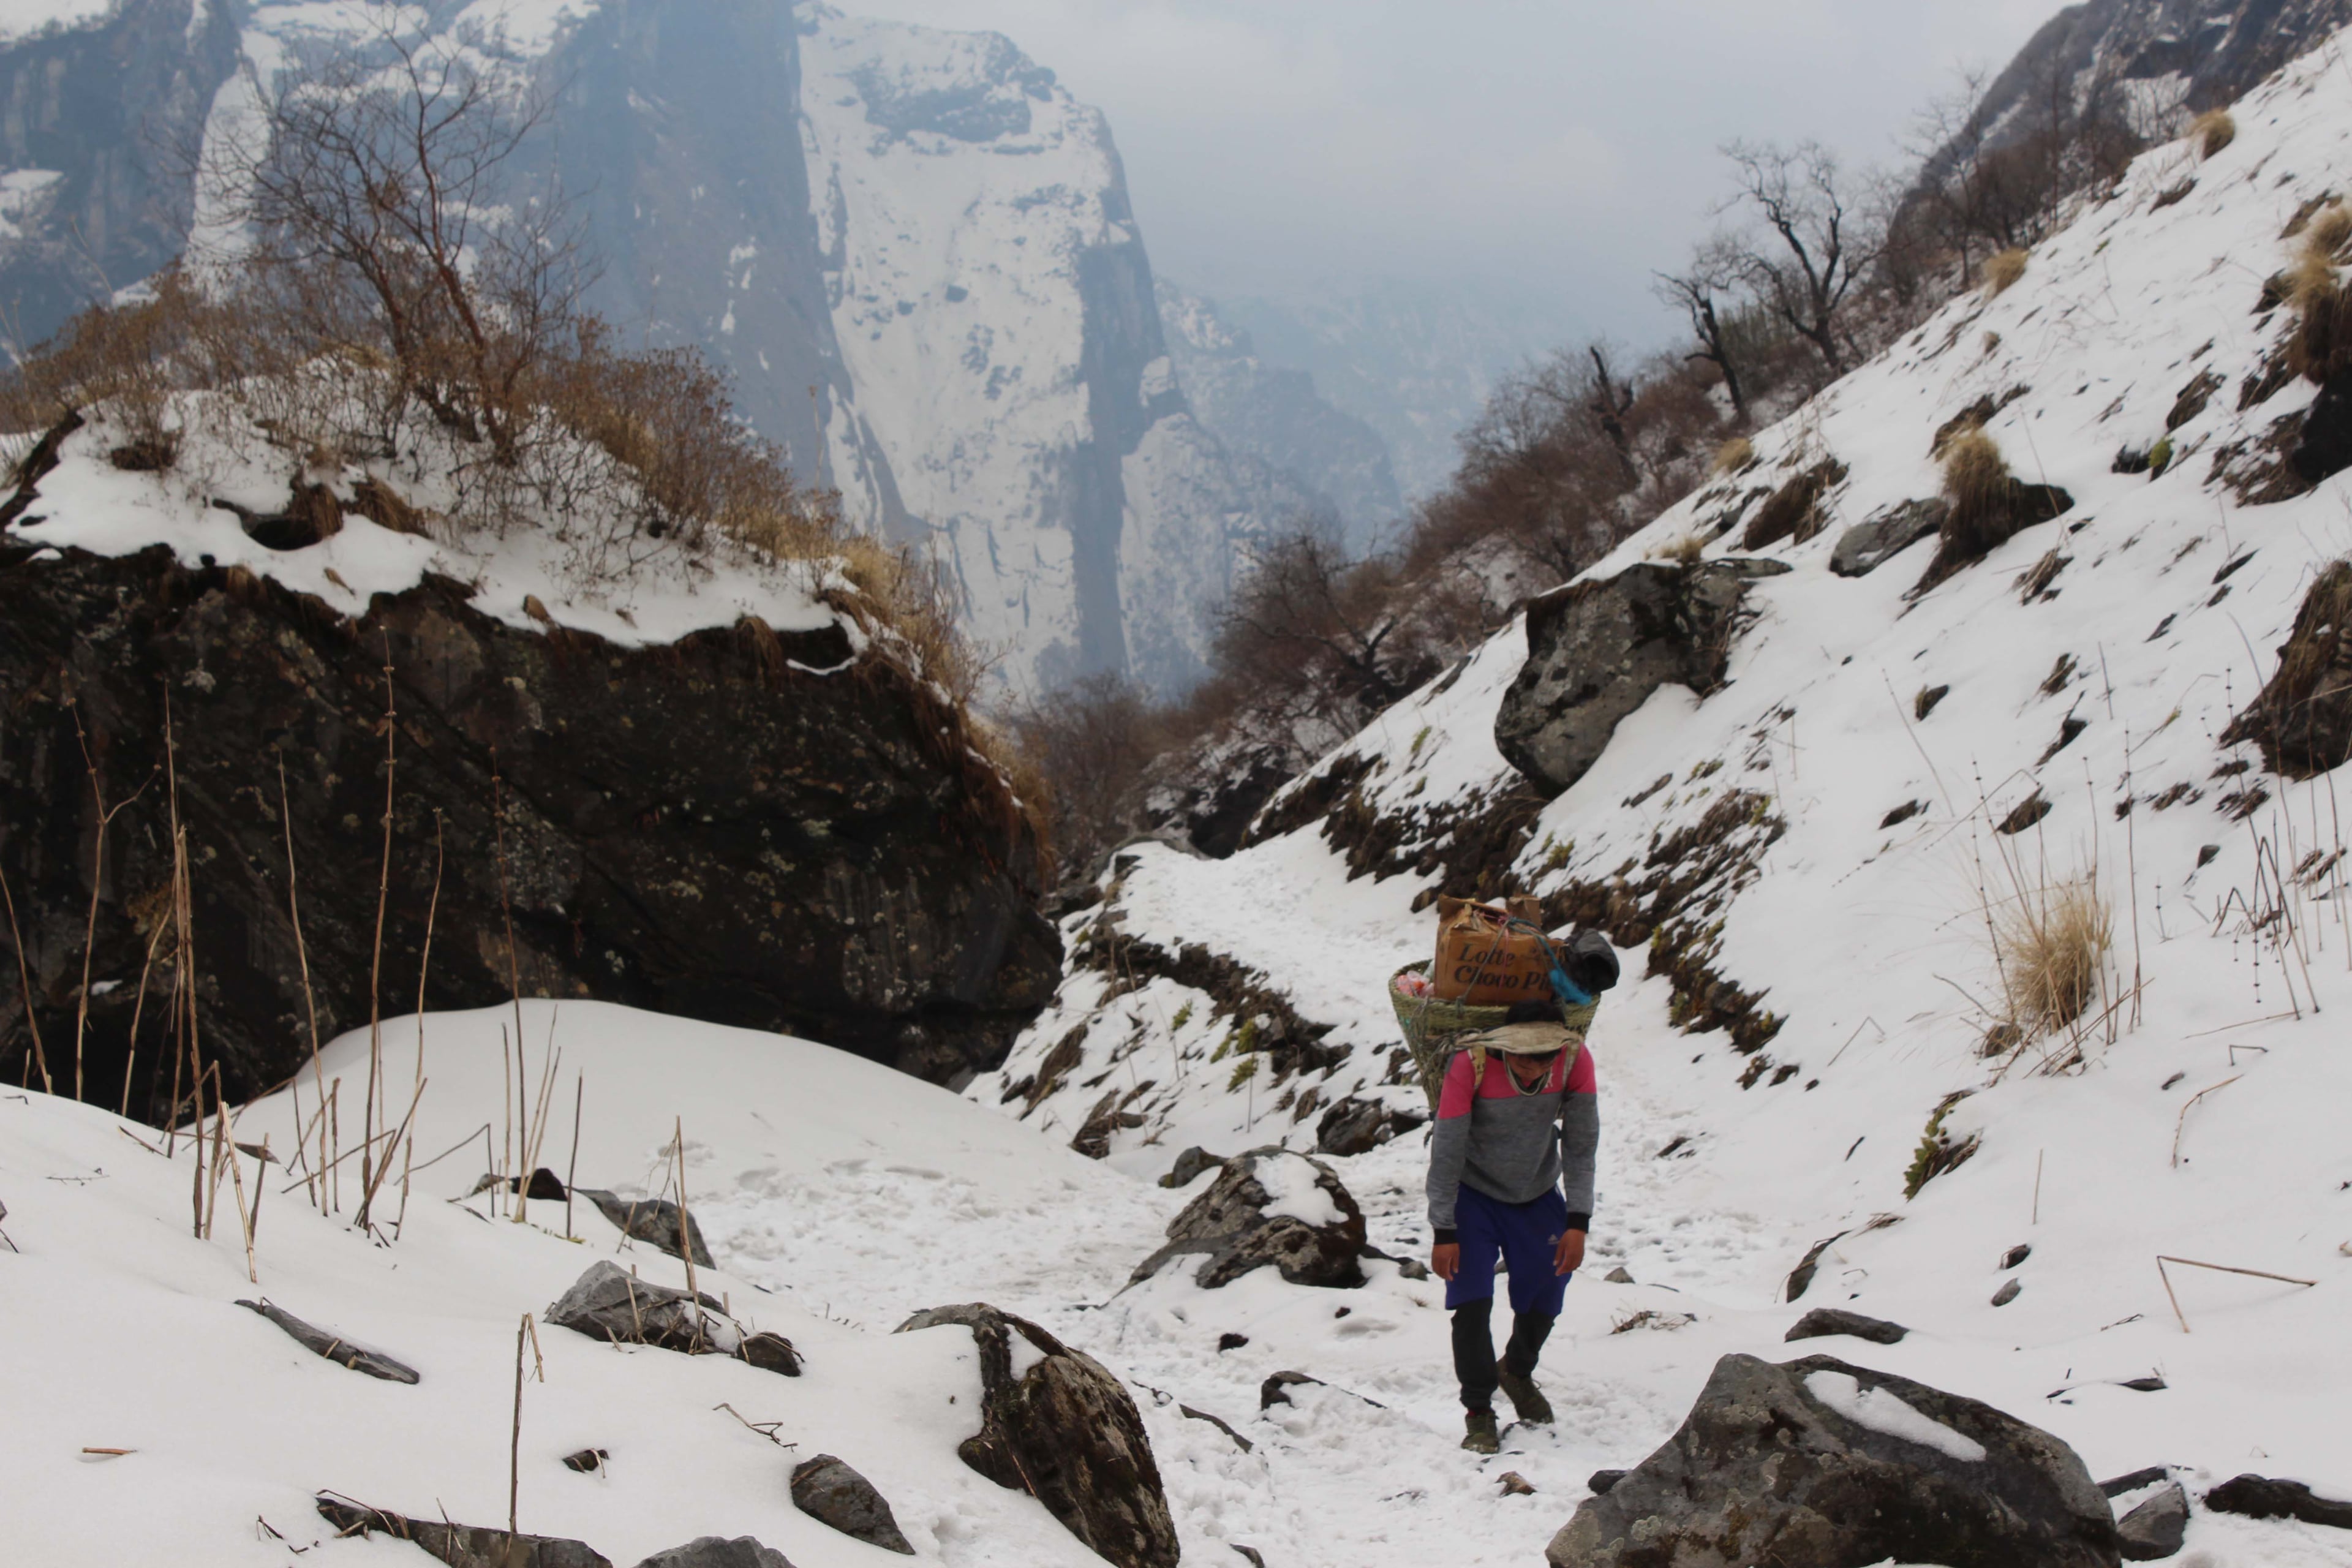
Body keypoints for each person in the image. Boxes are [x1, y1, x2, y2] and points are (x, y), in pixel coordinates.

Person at [1427, 929, 1613, 1454]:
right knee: (1471, 1300)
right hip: (1474, 1195)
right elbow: (1447, 1150)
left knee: (1547, 1289)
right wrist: (1444, 1229)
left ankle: (1518, 1371)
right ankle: (1478, 1411)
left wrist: (1578, 1221)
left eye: (1546, 1055)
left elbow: (1581, 1146)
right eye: (1526, 1056)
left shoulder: (1575, 1064)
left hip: (1535, 1192)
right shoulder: (1472, 1066)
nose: (1536, 1065)